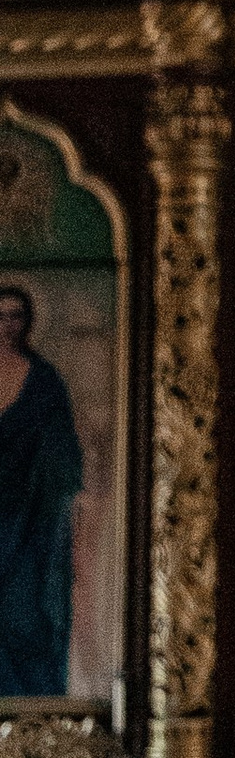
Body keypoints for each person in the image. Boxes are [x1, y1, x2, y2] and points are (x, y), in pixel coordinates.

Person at [0, 283, 82, 694]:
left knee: (26, 613)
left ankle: (35, 706)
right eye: (1, 316)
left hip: (32, 520)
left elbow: (64, 450)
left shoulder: (45, 380)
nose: (8, 325)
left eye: (16, 316)